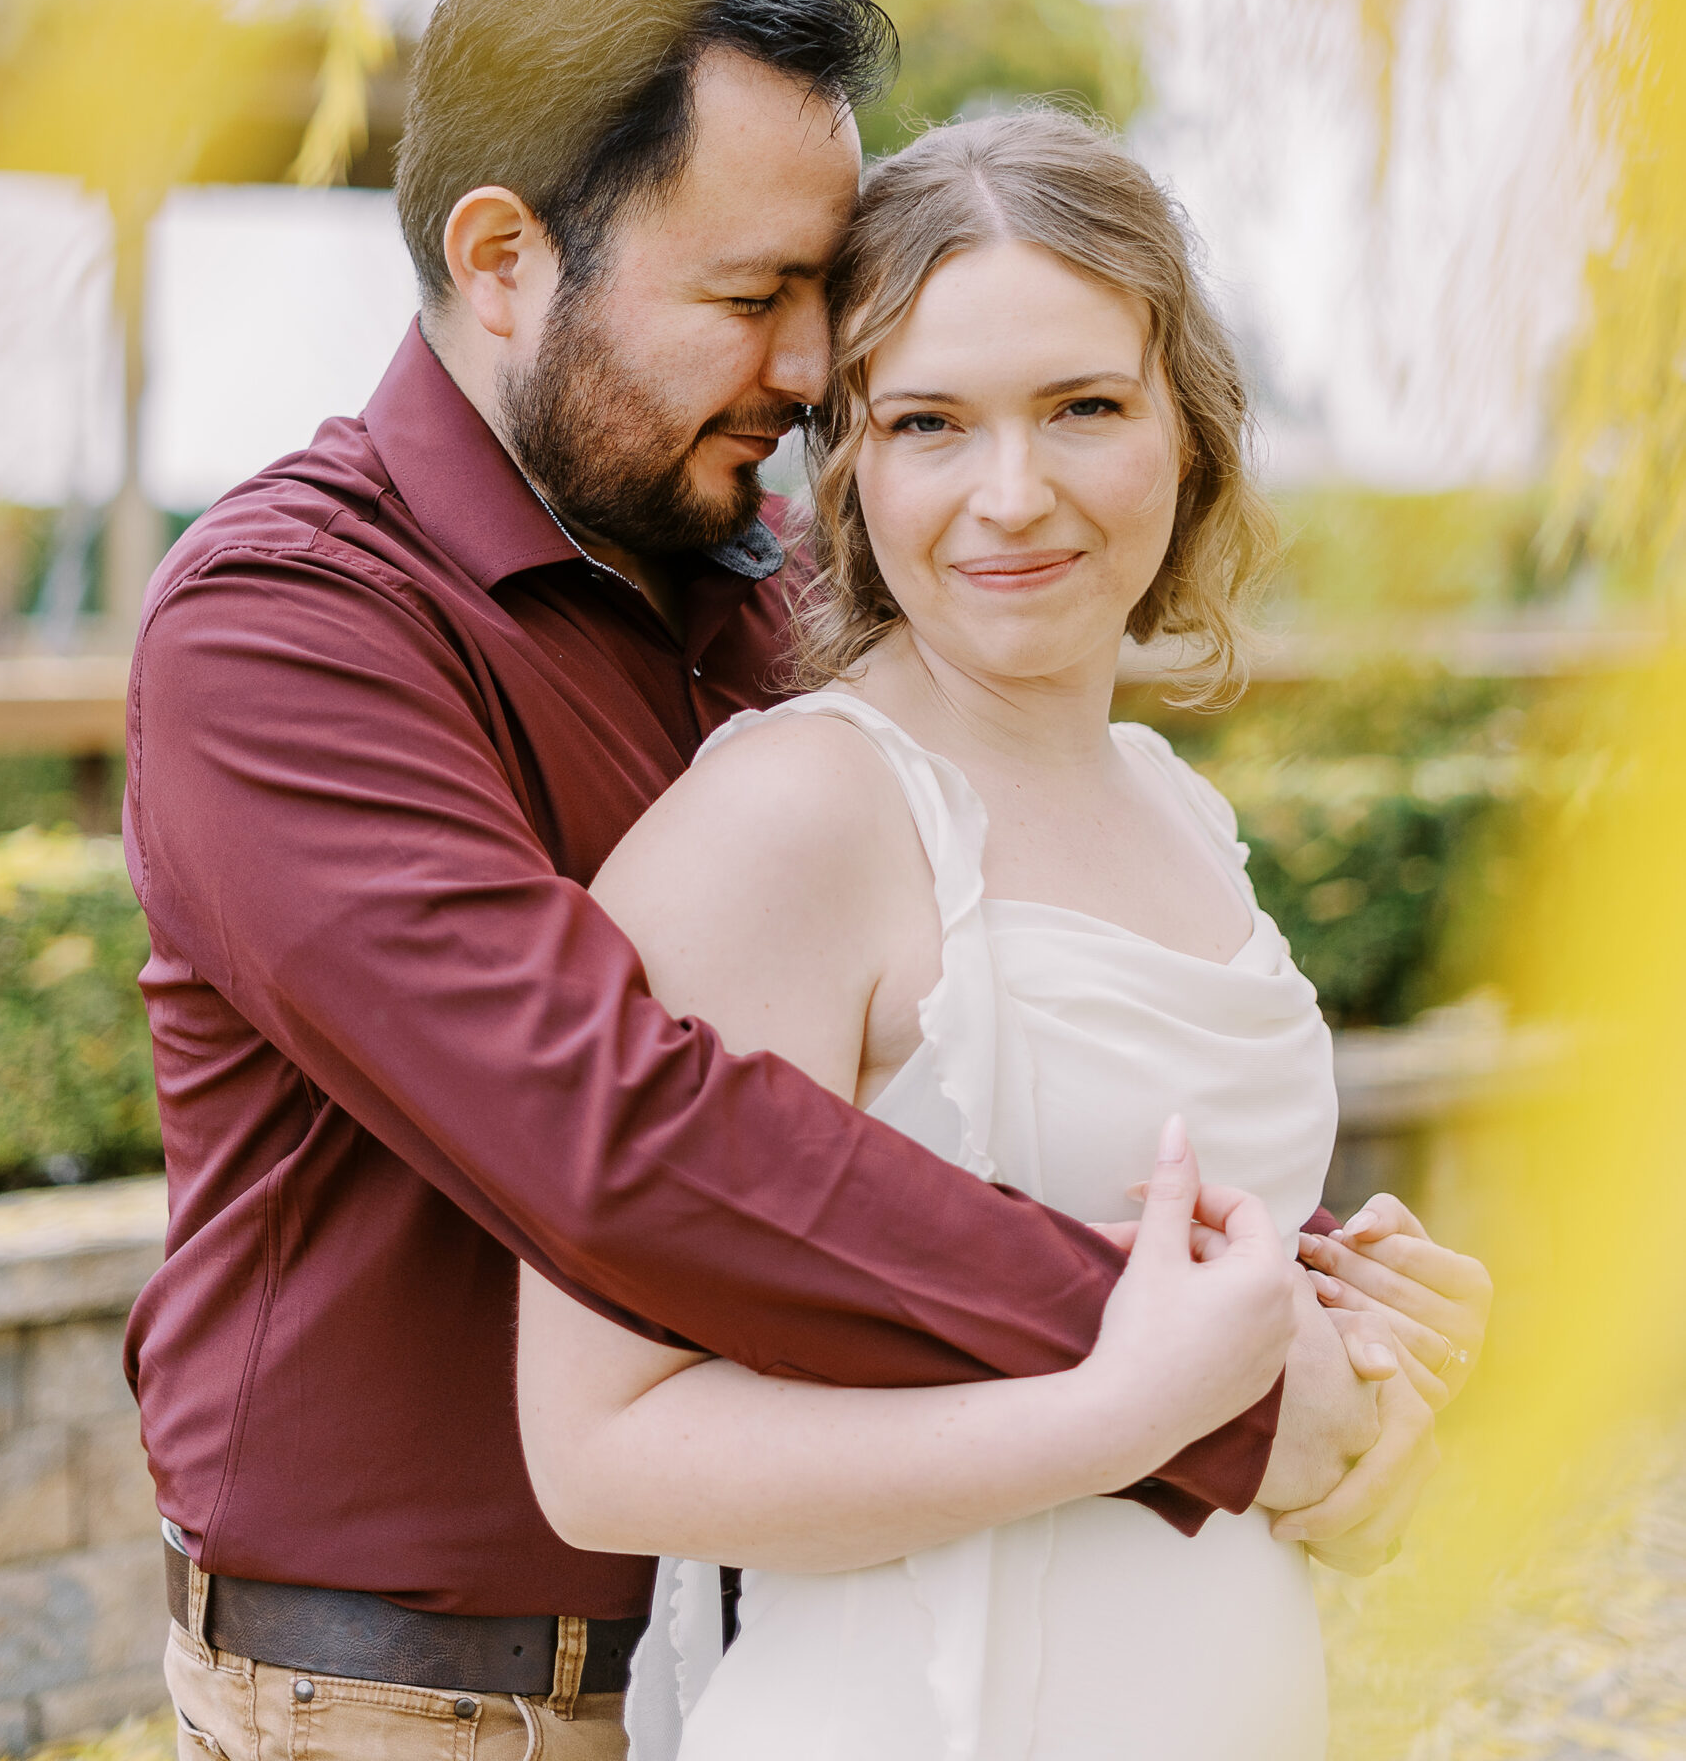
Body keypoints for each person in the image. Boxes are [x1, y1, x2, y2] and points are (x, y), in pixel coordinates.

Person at [127, 0, 1445, 1761]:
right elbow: (626, 1135)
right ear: (505, 260)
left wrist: (1287, 1274)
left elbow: (933, 1065)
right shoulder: (286, 632)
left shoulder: (752, 594)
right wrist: (1212, 1380)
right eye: (753, 298)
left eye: (824, 301)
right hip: (401, 1698)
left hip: (748, 1642)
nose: (814, 369)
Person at [515, 111, 1492, 1759]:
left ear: (1185, 426)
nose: (1013, 495)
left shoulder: (1178, 804)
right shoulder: (793, 824)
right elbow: (605, 1450)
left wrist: (1365, 1351)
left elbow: (1172, 1295)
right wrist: (1130, 1418)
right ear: (853, 463)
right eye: (932, 424)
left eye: (1084, 407)